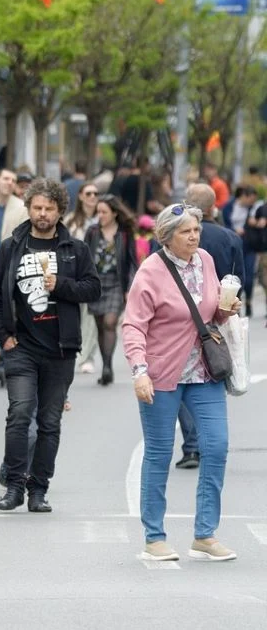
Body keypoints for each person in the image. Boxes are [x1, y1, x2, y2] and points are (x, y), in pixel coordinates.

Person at [122, 204, 239, 562]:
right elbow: (133, 325)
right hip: (161, 376)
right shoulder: (151, 271)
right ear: (167, 236)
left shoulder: (204, 259)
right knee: (158, 455)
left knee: (216, 447)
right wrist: (139, 371)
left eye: (197, 230)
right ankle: (154, 537)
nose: (194, 236)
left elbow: (207, 312)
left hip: (204, 373)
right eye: (186, 231)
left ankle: (205, 534)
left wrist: (224, 307)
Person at [0, 178, 100, 513]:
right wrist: (3, 336)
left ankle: (39, 489)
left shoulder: (74, 250)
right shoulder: (12, 247)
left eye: (49, 208)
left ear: (59, 211)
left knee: (50, 423)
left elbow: (92, 288)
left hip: (60, 349)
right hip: (21, 347)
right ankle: (14, 485)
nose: (42, 214)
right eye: (37, 207)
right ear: (28, 208)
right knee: (19, 414)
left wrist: (60, 285)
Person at [173, 183, 244, 469]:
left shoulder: (172, 238)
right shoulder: (229, 237)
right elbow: (239, 280)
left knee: (182, 379)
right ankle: (209, 442)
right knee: (215, 375)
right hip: (219, 318)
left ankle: (191, 446)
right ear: (214, 207)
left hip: (179, 322)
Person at [83, 196, 139, 386]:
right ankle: (107, 364)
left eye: (104, 212)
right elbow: (84, 257)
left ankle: (107, 367)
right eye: (98, 212)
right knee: (100, 325)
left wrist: (130, 288)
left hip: (116, 282)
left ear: (114, 213)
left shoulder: (124, 233)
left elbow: (132, 261)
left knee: (110, 322)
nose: (100, 215)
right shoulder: (92, 232)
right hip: (96, 282)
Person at [64, 182, 100, 374]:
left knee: (90, 316)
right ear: (80, 196)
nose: (92, 197)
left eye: (95, 193)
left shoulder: (102, 219)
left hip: (94, 274)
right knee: (73, 312)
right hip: (72, 272)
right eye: (88, 193)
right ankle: (74, 348)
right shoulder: (71, 221)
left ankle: (87, 356)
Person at [222, 185, 260, 317]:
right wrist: (233, 231)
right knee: (234, 275)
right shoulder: (229, 207)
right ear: (244, 196)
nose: (252, 202)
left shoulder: (253, 209)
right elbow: (224, 223)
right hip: (232, 244)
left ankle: (248, 301)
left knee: (248, 276)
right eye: (250, 199)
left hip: (248, 245)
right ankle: (236, 302)